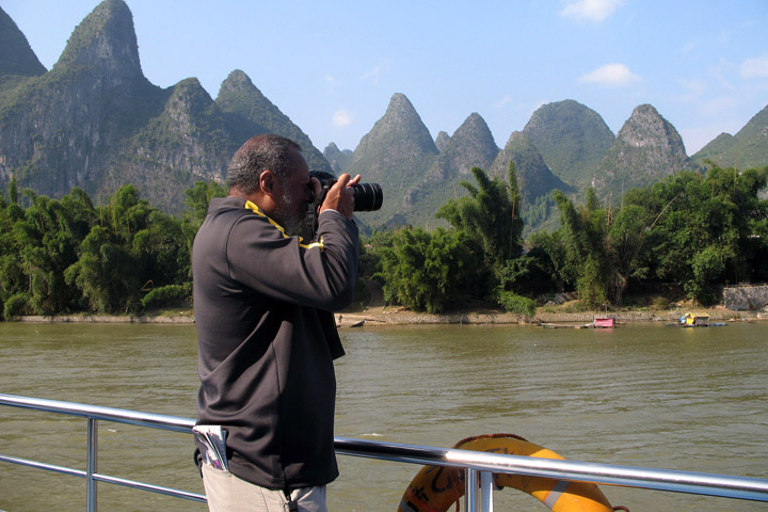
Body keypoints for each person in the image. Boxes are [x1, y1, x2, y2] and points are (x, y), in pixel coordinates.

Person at [192, 134, 360, 512]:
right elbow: (332, 283)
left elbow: (311, 278)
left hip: (263, 462)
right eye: (304, 187)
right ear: (267, 183)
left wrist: (323, 218)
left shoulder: (239, 231)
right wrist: (334, 216)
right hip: (267, 472)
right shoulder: (239, 233)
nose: (309, 195)